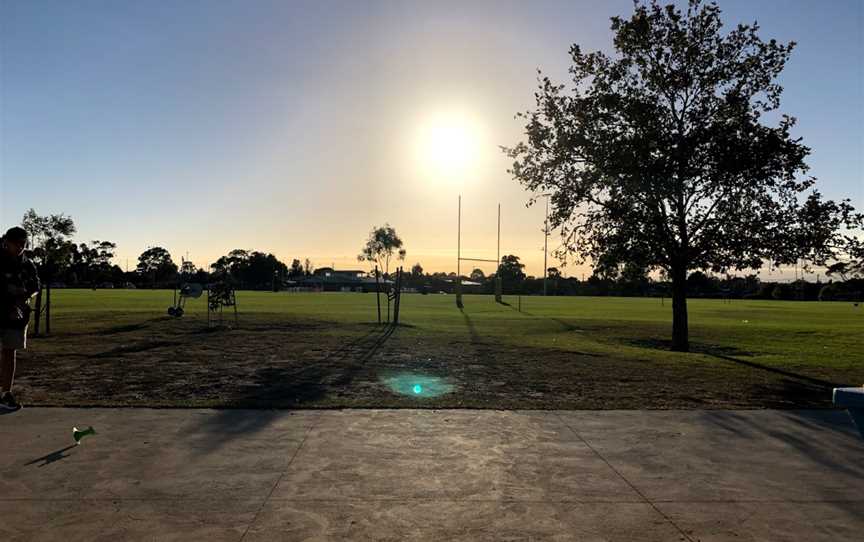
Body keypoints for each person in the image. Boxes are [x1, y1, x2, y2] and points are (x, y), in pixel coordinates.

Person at [0, 226, 40, 411]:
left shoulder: (27, 263)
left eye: (23, 243)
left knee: (9, 352)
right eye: (16, 243)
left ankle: (5, 393)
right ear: (6, 241)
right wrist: (9, 305)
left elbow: (34, 286)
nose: (20, 247)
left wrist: (21, 300)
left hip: (17, 317)